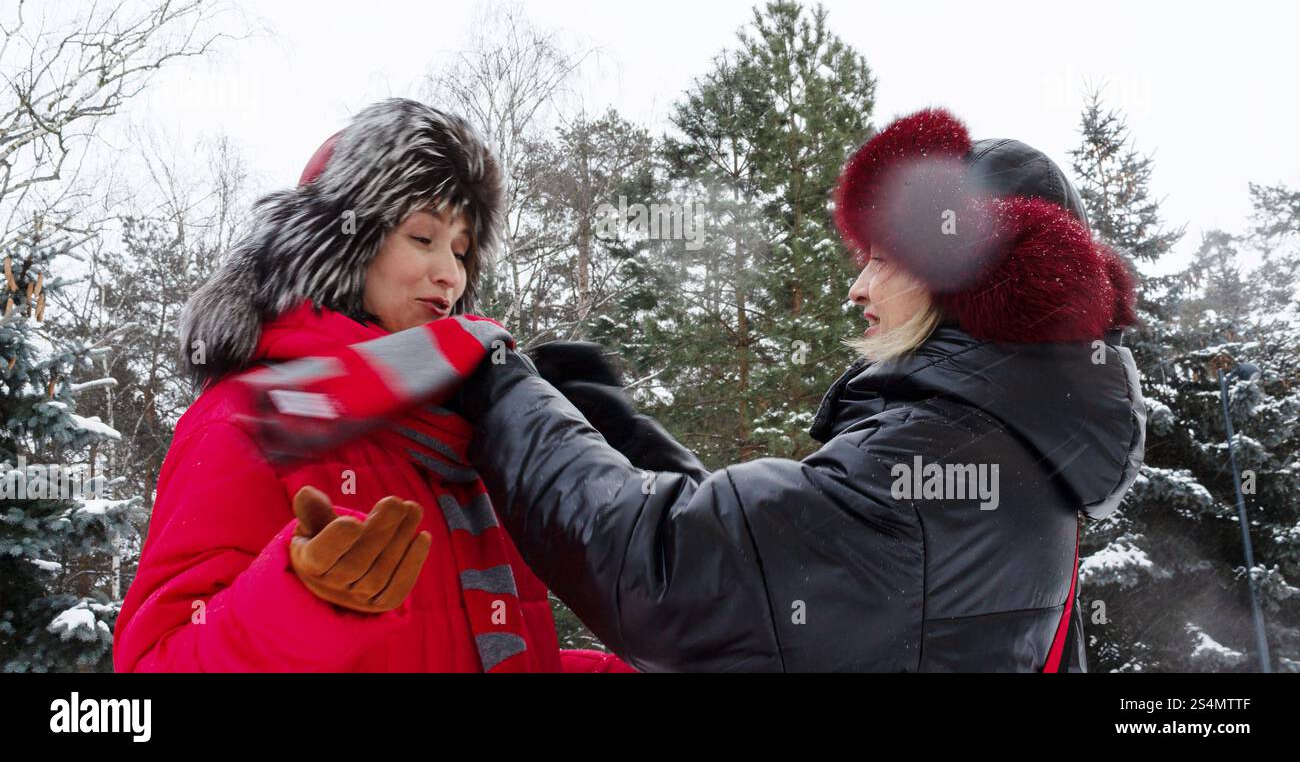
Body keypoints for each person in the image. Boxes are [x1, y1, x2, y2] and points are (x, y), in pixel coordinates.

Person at [454, 105, 1148, 672]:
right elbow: (769, 591)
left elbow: (670, 578)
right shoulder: (1007, 460)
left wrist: (501, 390)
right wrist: (623, 438)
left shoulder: (934, 469)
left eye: (881, 259)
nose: (858, 287)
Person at [113, 98, 631, 673]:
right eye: (422, 237)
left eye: (461, 250)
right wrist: (303, 603)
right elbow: (159, 662)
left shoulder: (463, 433)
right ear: (342, 248)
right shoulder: (250, 419)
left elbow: (472, 645)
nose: (450, 274)